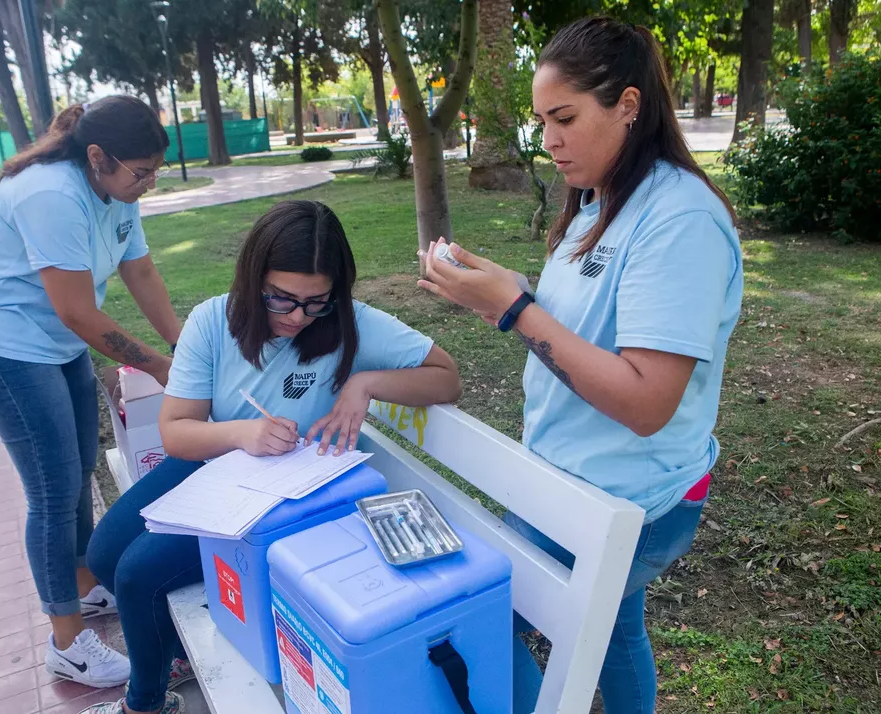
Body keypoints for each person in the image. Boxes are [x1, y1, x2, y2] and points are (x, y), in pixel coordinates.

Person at [419, 17, 743, 714]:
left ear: (628, 105)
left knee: (483, 619)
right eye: (541, 121)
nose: (548, 141)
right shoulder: (598, 198)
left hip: (629, 498)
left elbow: (647, 402)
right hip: (568, 481)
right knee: (615, 625)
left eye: (563, 118)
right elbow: (575, 327)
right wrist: (501, 289)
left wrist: (513, 309)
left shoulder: (679, 220)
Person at [83, 199, 462, 714]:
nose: (298, 317)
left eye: (316, 302)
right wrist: (242, 433)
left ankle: (145, 704)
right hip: (217, 465)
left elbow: (447, 378)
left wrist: (364, 383)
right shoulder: (213, 321)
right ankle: (173, 655)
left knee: (137, 574)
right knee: (105, 554)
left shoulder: (353, 324)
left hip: (292, 495)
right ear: (252, 277)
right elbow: (176, 432)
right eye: (281, 299)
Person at [0, 96, 182, 689]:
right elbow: (78, 312)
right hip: (4, 352)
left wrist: (187, 348)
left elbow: (142, 273)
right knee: (53, 492)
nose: (149, 183)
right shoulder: (53, 193)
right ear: (97, 156)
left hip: (55, 347)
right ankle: (67, 642)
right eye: (141, 172)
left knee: (76, 473)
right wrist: (157, 365)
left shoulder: (115, 191)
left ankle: (82, 588)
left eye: (155, 170)